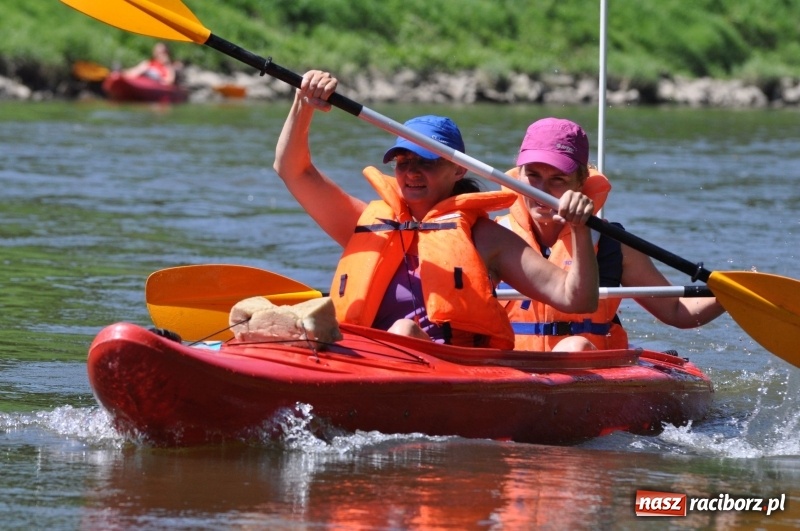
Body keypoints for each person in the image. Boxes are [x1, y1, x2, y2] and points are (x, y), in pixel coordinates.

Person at [273, 70, 599, 349]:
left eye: (427, 162)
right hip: (368, 360)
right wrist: (303, 102)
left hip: (449, 369)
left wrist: (580, 228)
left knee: (404, 330)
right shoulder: (364, 223)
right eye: (403, 161)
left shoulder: (485, 238)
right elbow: (292, 170)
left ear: (458, 170)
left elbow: (576, 299)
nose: (412, 172)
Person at [497, 117, 726, 351]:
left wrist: (729, 296)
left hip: (587, 360)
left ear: (581, 181)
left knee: (575, 346)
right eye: (533, 175)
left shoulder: (612, 244)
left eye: (558, 179)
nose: (541, 190)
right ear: (518, 173)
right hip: (507, 363)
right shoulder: (493, 237)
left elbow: (676, 310)